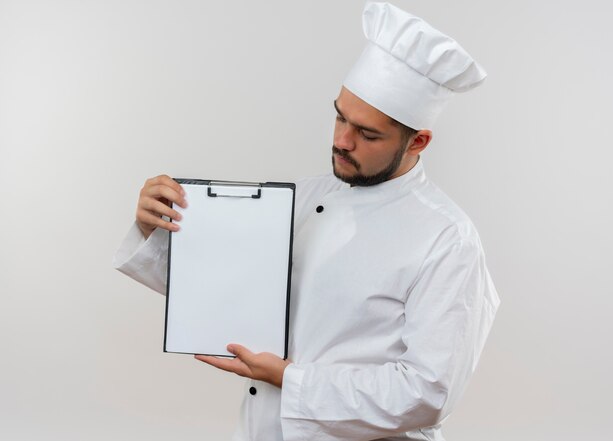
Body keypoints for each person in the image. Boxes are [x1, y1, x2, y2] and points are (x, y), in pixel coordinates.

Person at [113, 3, 500, 440]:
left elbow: (428, 393)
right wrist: (155, 226)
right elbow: (229, 286)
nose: (341, 141)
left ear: (419, 141)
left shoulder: (448, 240)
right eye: (340, 116)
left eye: (367, 134)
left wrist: (289, 379)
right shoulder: (303, 198)